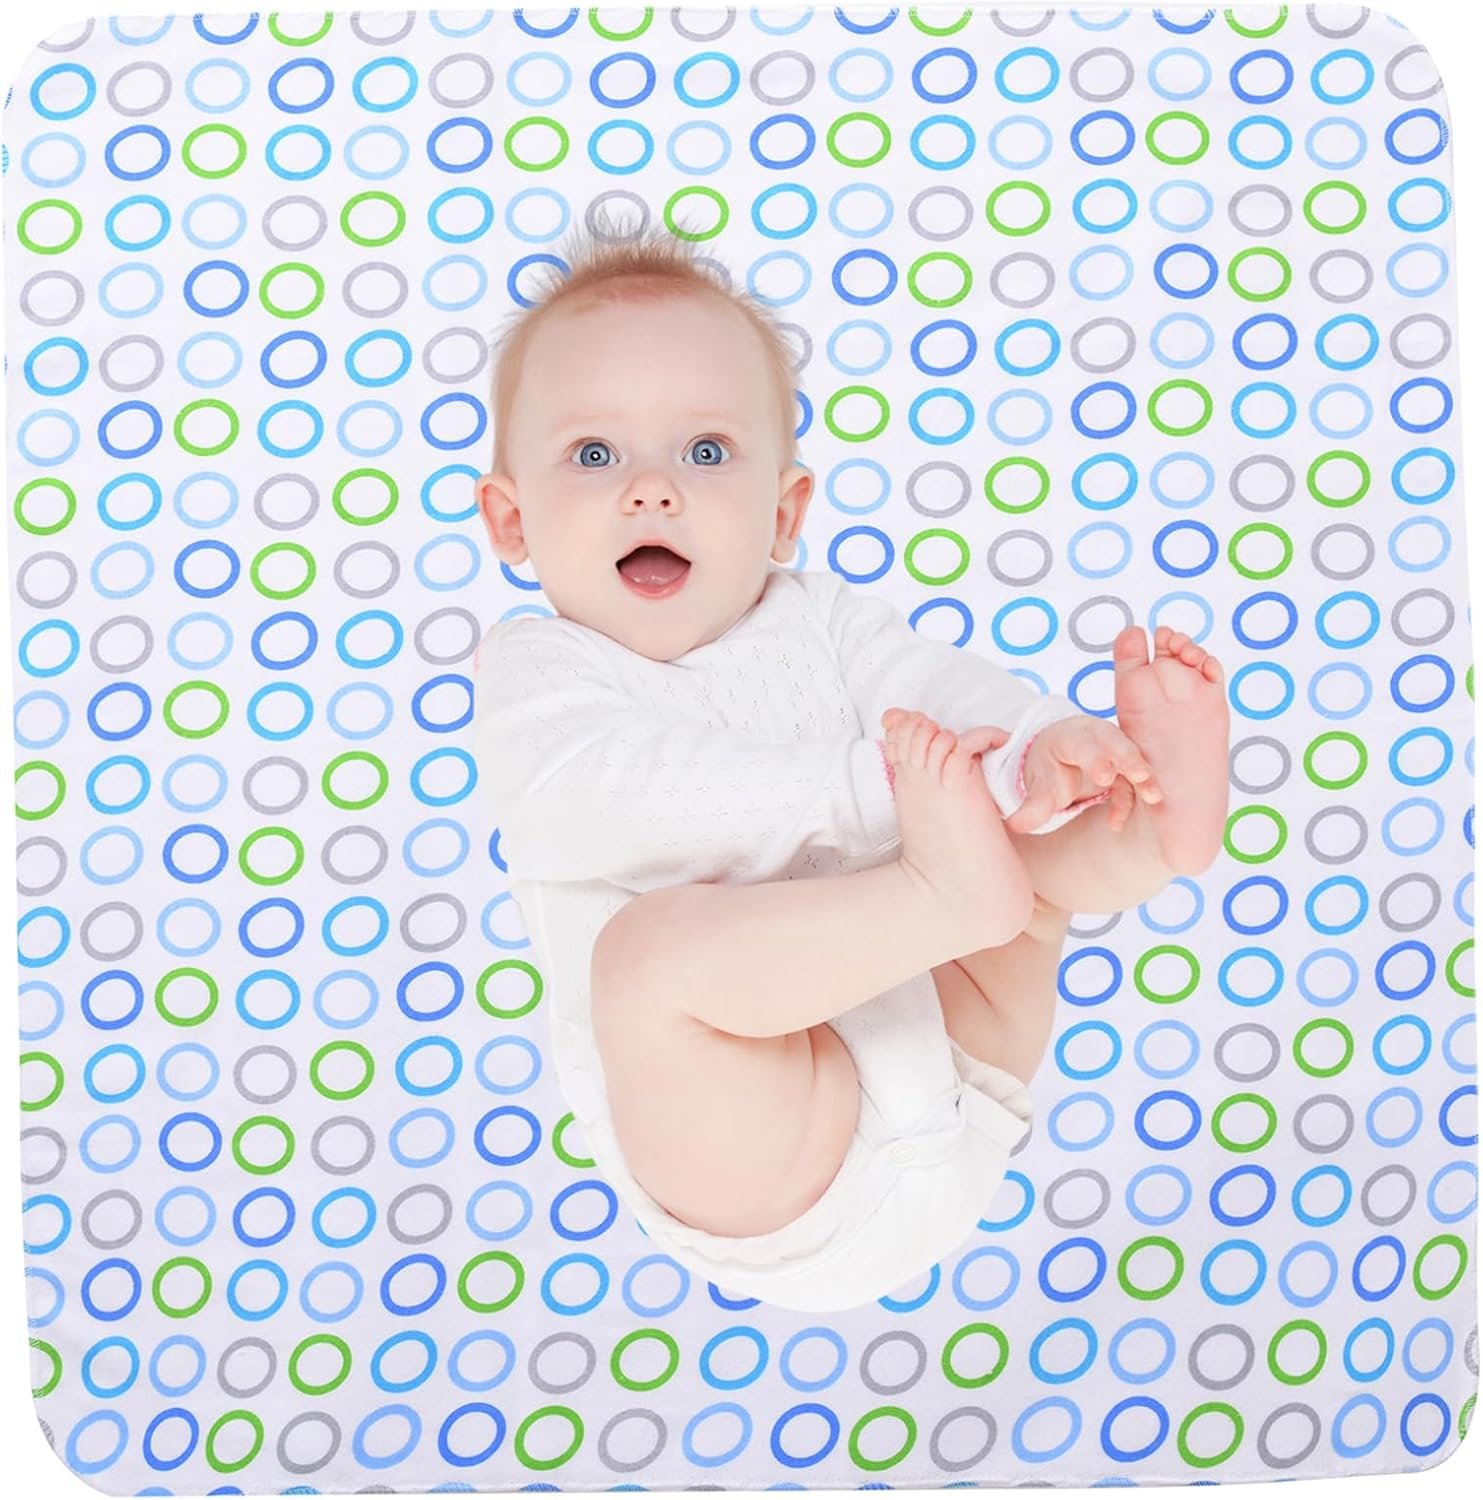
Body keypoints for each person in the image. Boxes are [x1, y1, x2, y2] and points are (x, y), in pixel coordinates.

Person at [471, 212, 1230, 1310]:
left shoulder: (819, 617)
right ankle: (951, 890)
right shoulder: (541, 673)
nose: (652, 488)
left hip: (958, 1051)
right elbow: (609, 800)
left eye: (705, 451)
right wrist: (875, 792)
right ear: (511, 521)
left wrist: (1038, 751)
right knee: (646, 959)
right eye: (595, 455)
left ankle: (1149, 825)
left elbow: (941, 693)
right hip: (773, 1152)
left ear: (784, 511)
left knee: (1023, 840)